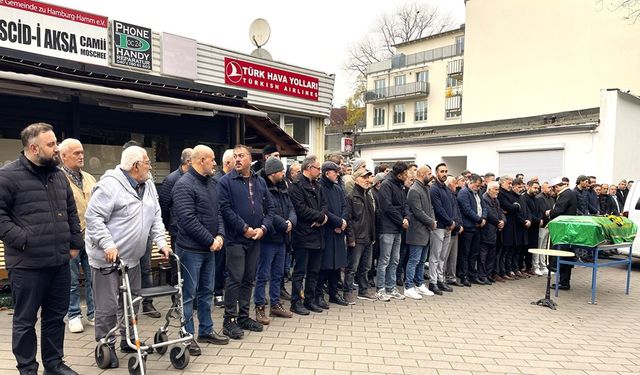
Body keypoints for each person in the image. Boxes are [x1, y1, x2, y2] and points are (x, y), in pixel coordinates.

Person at [0, 123, 83, 375]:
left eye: (56, 142)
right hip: (27, 265)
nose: (56, 148)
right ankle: (27, 369)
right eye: (51, 144)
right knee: (25, 321)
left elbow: (71, 210)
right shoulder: (8, 176)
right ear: (33, 148)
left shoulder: (58, 176)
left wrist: (75, 243)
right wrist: (24, 239)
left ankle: (54, 364)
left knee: (55, 318)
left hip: (58, 262)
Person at [85, 145, 170, 367]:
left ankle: (128, 339)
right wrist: (108, 244)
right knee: (108, 306)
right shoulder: (109, 186)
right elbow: (93, 219)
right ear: (135, 166)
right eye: (147, 163)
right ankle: (106, 344)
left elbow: (156, 217)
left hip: (132, 257)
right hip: (108, 259)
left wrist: (161, 242)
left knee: (132, 302)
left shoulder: (148, 184)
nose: (150, 166)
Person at [172, 145, 229, 357]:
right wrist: (209, 241)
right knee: (188, 295)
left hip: (209, 248)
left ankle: (205, 330)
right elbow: (187, 219)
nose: (215, 163)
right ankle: (187, 337)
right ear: (201, 160)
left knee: (206, 292)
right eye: (212, 159)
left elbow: (219, 213)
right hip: (191, 250)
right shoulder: (183, 185)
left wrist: (221, 235)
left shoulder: (211, 183)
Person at [217, 145, 274, 339]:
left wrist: (263, 228)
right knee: (235, 279)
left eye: (241, 156)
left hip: (256, 238)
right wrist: (244, 228)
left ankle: (243, 316)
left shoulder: (260, 182)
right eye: (235, 157)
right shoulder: (226, 182)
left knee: (249, 278)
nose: (237, 159)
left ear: (251, 159)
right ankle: (229, 320)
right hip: (236, 239)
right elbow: (224, 209)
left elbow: (270, 209)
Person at [59, 138, 97, 334]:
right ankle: (74, 314)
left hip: (91, 237)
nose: (81, 156)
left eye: (82, 152)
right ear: (63, 156)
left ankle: (93, 313)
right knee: (72, 280)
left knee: (93, 278)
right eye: (76, 153)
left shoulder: (90, 178)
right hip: (69, 238)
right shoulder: (57, 178)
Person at [254, 157, 296, 324]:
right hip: (268, 238)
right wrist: (283, 225)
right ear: (273, 172)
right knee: (262, 275)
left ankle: (275, 304)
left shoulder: (283, 187)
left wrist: (291, 222)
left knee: (278, 274)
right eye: (281, 171)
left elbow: (291, 208)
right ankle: (259, 307)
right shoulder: (262, 187)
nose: (283, 173)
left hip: (281, 239)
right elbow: (266, 212)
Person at [288, 155, 328, 315]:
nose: (319, 171)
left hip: (318, 234)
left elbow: (325, 205)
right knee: (299, 272)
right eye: (318, 168)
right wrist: (320, 217)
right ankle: (296, 302)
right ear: (308, 168)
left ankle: (309, 300)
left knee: (314, 271)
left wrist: (322, 218)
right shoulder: (296, 187)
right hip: (303, 235)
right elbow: (300, 209)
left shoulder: (317, 186)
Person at [375, 161, 410, 301]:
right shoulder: (386, 185)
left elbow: (405, 204)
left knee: (395, 260)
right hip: (387, 228)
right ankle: (381, 289)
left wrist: (406, 217)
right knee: (384, 260)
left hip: (397, 228)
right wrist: (401, 220)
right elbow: (387, 207)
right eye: (406, 174)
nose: (407, 176)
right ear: (399, 174)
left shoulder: (400, 185)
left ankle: (391, 287)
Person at [317, 161, 350, 307]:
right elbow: (324, 209)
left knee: (337, 266)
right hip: (327, 231)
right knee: (324, 266)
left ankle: (334, 293)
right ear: (327, 173)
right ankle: (318, 295)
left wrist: (342, 222)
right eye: (335, 171)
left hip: (338, 231)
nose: (338, 174)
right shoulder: (320, 188)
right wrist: (337, 222)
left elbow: (345, 206)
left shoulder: (337, 189)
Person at [159, 147, 193, 286]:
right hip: (177, 231)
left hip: (192, 231)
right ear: (188, 161)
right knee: (177, 267)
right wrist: (170, 227)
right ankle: (176, 300)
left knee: (190, 267)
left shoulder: (195, 178)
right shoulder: (171, 179)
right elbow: (164, 206)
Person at [344, 169, 377, 303]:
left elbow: (372, 217)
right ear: (356, 179)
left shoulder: (368, 195)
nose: (367, 180)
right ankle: (347, 292)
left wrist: (373, 236)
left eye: (368, 177)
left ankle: (363, 291)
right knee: (352, 267)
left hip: (368, 236)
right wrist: (351, 238)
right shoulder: (351, 196)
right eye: (364, 177)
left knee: (366, 267)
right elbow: (349, 219)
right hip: (357, 237)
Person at [404, 165, 436, 299]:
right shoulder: (414, 190)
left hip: (426, 230)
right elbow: (418, 212)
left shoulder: (425, 188)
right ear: (422, 174)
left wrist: (432, 221)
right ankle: (408, 286)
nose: (431, 175)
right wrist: (431, 222)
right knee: (414, 260)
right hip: (417, 231)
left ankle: (419, 284)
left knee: (422, 260)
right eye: (429, 173)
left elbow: (430, 208)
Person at [428, 164, 456, 294]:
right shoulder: (434, 189)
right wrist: (450, 221)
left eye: (446, 171)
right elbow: (438, 209)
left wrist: (452, 222)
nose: (444, 173)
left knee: (443, 256)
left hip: (448, 228)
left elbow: (452, 206)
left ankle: (440, 279)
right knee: (435, 256)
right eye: (442, 171)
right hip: (438, 227)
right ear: (436, 173)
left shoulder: (447, 189)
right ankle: (432, 282)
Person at [545, 177, 578, 289]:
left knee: (562, 255)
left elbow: (559, 210)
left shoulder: (565, 195)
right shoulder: (570, 193)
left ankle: (563, 282)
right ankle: (564, 281)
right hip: (567, 229)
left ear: (557, 187)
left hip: (563, 229)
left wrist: (550, 212)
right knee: (566, 256)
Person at [212, 149, 234, 307]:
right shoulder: (217, 180)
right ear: (227, 163)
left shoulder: (234, 179)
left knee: (229, 263)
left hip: (233, 227)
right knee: (219, 263)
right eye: (236, 159)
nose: (238, 163)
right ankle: (217, 293)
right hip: (220, 228)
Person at [456, 174, 488, 285]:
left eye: (479, 186)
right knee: (465, 252)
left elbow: (484, 206)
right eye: (477, 185)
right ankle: (463, 275)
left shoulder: (478, 192)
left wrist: (483, 218)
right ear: (470, 182)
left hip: (477, 227)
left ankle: (472, 275)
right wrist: (479, 220)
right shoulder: (463, 193)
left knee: (474, 253)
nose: (478, 188)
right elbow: (467, 210)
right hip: (468, 227)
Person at [480, 181, 505, 283]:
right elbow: (488, 214)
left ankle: (488, 274)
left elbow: (501, 212)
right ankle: (482, 275)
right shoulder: (484, 199)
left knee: (491, 255)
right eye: (496, 189)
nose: (497, 192)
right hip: (486, 230)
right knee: (483, 255)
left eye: (498, 189)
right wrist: (498, 222)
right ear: (489, 189)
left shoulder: (496, 200)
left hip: (494, 232)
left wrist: (503, 221)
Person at [534, 182, 555, 275]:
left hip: (549, 225)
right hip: (542, 225)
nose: (551, 189)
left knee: (544, 246)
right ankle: (535, 266)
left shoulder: (551, 199)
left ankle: (543, 265)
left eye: (551, 187)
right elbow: (542, 212)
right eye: (548, 187)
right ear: (542, 189)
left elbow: (552, 211)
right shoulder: (539, 198)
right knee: (538, 246)